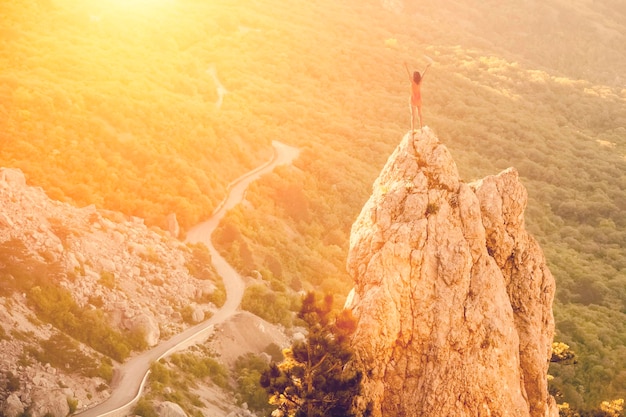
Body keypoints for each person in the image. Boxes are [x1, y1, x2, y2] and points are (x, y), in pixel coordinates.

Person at [404, 61, 431, 134]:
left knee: (413, 115)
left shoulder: (412, 83)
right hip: (419, 100)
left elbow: (408, 75)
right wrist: (426, 68)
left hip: (413, 100)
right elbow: (423, 75)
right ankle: (421, 127)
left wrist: (406, 66)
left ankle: (412, 130)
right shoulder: (420, 83)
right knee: (420, 114)